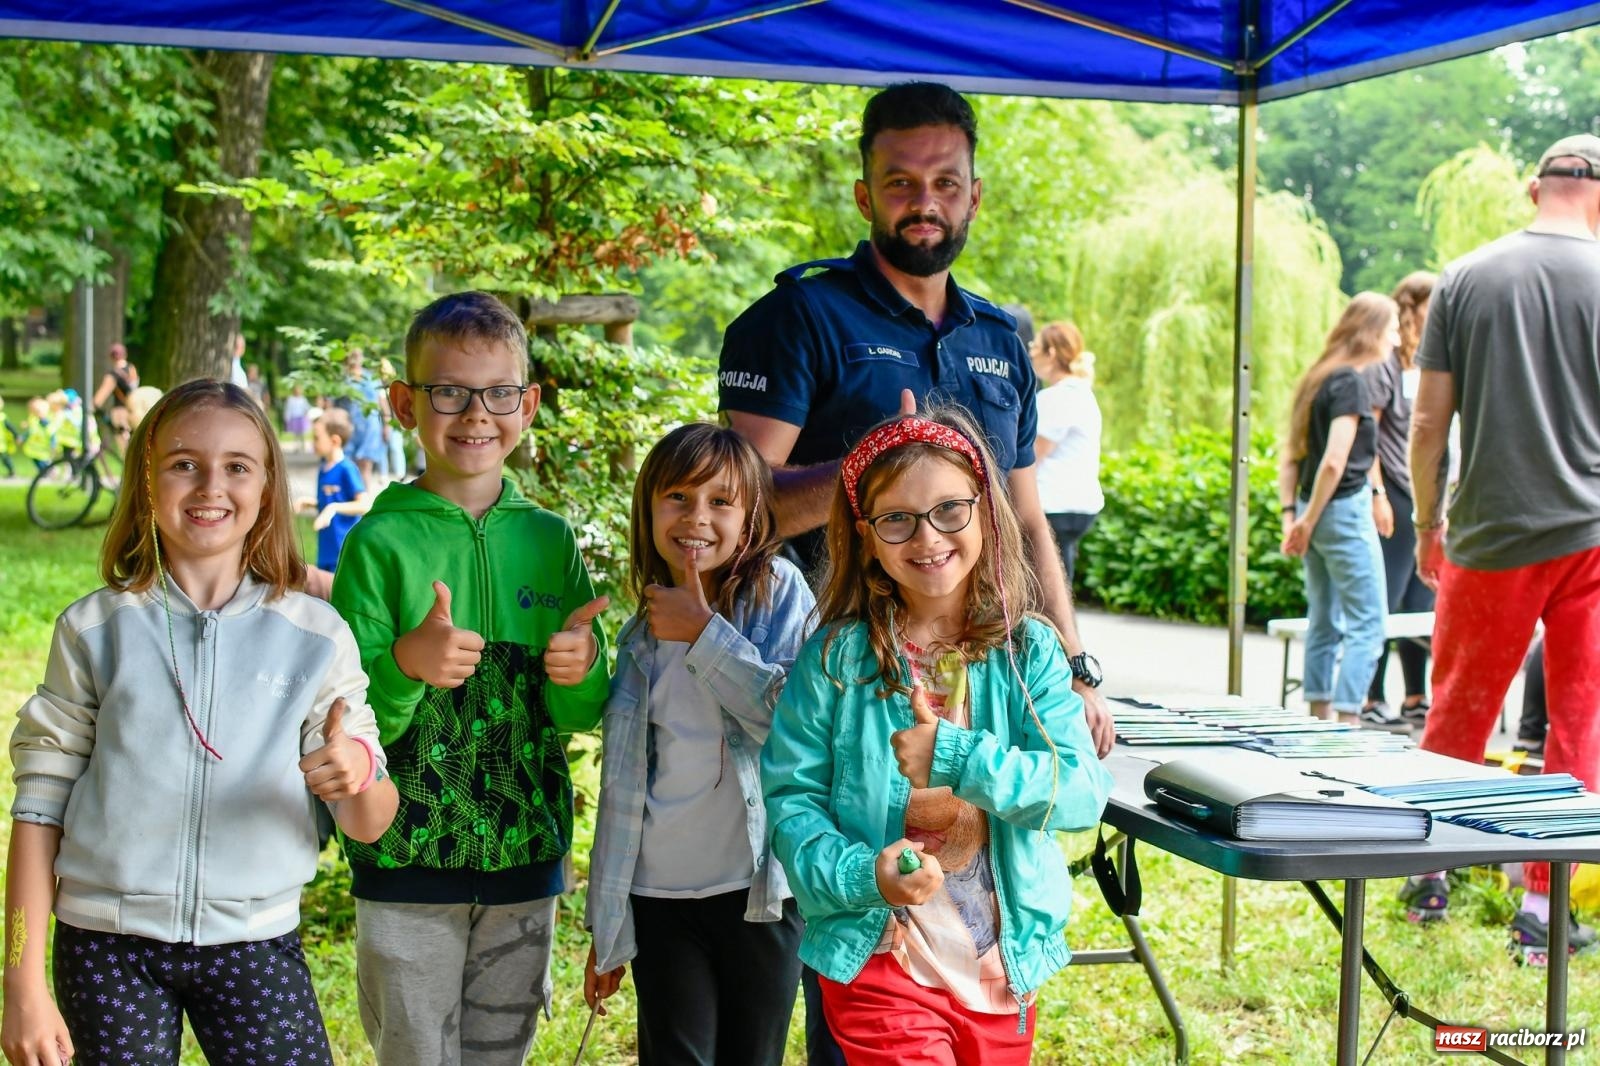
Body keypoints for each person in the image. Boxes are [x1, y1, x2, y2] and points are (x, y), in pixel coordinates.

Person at [2, 379, 399, 1066]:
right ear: (147, 483)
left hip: (256, 940)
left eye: (237, 466)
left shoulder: (314, 635)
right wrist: (21, 985)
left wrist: (357, 771)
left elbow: (370, 822)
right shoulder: (94, 630)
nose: (211, 484)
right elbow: (38, 813)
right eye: (184, 463)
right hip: (105, 946)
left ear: (268, 488)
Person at [718, 81, 1112, 749]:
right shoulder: (796, 319)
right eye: (901, 183)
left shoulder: (999, 339)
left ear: (974, 197)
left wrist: (1075, 667)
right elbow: (739, 512)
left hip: (984, 687)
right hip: (830, 682)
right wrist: (868, 467)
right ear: (865, 195)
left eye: (946, 183)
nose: (925, 202)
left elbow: (1026, 520)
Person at [762, 407, 1112, 1066]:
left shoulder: (1028, 651)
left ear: (985, 511)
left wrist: (958, 757)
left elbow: (1080, 794)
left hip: (1000, 970)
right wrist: (867, 876)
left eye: (950, 508)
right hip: (880, 958)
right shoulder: (837, 658)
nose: (927, 537)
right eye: (897, 518)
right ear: (866, 535)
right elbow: (793, 806)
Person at [328, 291, 611, 1066]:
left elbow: (580, 711)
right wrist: (406, 668)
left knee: (503, 1046)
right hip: (404, 860)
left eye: (499, 393)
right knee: (417, 1050)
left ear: (530, 403)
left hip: (525, 857)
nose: (476, 414)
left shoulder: (551, 541)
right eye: (449, 391)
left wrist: (580, 672)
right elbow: (348, 722)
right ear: (402, 403)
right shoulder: (378, 544)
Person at [1405, 134, 1600, 956]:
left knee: (1457, 711)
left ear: (1533, 188)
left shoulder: (1467, 277)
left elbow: (1426, 422)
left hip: (1488, 534)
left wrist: (1424, 522)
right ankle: (1545, 910)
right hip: (1593, 535)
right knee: (1580, 724)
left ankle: (1426, 875)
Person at [584, 423, 814, 1065]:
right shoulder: (639, 634)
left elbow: (797, 728)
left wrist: (705, 634)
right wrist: (607, 928)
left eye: (721, 502)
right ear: (648, 509)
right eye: (678, 497)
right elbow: (622, 793)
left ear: (750, 517)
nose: (698, 518)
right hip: (660, 897)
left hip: (759, 896)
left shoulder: (782, 596)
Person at [1278, 293, 1397, 725]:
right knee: (1370, 624)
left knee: (1323, 619)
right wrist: (1305, 522)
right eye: (1394, 328)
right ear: (1372, 331)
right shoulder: (1351, 382)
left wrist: (1294, 517)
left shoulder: (1318, 378)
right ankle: (1347, 724)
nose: (1398, 338)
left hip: (1315, 509)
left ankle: (1317, 717)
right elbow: (1334, 459)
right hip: (1342, 511)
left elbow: (1291, 455)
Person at [1361, 272, 1438, 726]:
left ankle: (1414, 695)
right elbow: (1367, 434)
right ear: (1413, 306)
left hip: (1420, 497)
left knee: (1417, 603)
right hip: (1390, 494)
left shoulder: (1426, 360)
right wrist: (1377, 494)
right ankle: (1371, 697)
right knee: (1384, 600)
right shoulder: (1384, 363)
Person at [1029, 321, 1104, 585]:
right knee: (1060, 575)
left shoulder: (1057, 398)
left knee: (1046, 582)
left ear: (1051, 354)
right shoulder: (1083, 393)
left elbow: (1033, 456)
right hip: (1082, 504)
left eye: (1035, 346)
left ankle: (1056, 624)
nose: (1030, 352)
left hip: (1054, 504)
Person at [295, 406, 369, 572]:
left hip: (344, 550)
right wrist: (312, 503)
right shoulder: (323, 469)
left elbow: (364, 505)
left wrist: (333, 508)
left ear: (335, 441)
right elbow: (329, 501)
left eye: (316, 438)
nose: (313, 443)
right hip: (325, 550)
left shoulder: (347, 469)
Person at [338, 349, 391, 487]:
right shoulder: (342, 381)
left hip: (370, 427)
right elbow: (333, 406)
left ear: (362, 358)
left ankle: (365, 502)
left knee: (366, 465)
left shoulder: (372, 378)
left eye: (358, 356)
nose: (355, 359)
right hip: (349, 427)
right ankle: (353, 500)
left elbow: (383, 403)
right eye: (352, 356)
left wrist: (387, 425)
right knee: (349, 466)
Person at [90, 341, 139, 446]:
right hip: (135, 411)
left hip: (120, 413)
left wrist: (90, 408)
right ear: (125, 354)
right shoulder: (132, 369)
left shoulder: (112, 375)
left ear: (111, 357)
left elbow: (99, 398)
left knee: (125, 447)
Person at [20, 396, 53, 473]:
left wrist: (53, 444)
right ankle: (44, 472)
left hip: (43, 446)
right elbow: (30, 430)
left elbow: (51, 432)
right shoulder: (33, 419)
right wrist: (23, 437)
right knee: (36, 460)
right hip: (34, 446)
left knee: (43, 460)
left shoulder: (46, 421)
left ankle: (48, 471)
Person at [284, 382, 313, 452]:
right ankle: (296, 447)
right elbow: (288, 409)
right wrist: (287, 417)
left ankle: (303, 446)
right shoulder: (290, 399)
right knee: (295, 434)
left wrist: (308, 413)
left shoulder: (302, 399)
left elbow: (307, 407)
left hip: (301, 417)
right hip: (294, 418)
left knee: (301, 434)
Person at [0, 397, 18, 478]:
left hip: (2, 443)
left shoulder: (2, 418)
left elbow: (11, 427)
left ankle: (12, 471)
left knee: (5, 459)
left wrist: (16, 435)